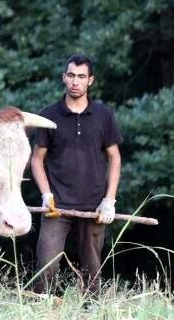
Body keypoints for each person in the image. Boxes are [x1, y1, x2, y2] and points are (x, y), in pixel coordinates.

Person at [31, 54, 122, 294]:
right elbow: (36, 159)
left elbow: (115, 157)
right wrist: (45, 194)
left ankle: (92, 317)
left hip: (94, 206)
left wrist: (109, 200)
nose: (75, 81)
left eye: (81, 76)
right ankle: (39, 314)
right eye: (71, 75)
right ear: (64, 77)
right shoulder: (48, 116)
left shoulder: (104, 115)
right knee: (46, 266)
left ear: (90, 80)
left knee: (92, 269)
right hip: (56, 206)